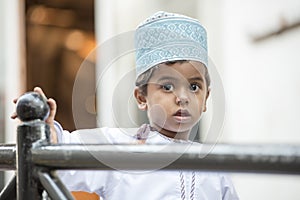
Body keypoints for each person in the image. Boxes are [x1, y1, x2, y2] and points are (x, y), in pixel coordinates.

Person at [13, 11, 239, 200]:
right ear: (142, 97)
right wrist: (46, 130)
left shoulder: (215, 163)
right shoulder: (117, 148)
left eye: (193, 86)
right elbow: (66, 153)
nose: (183, 97)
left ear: (206, 98)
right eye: (167, 87)